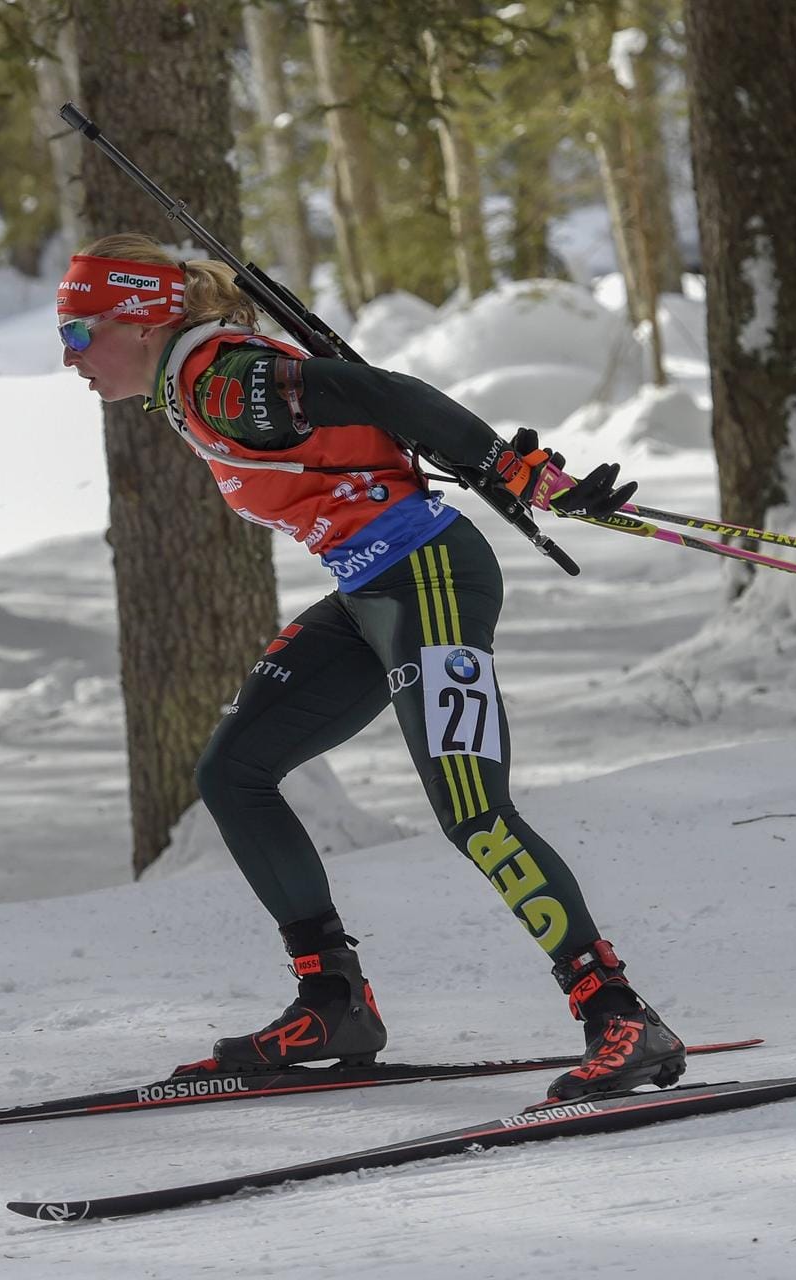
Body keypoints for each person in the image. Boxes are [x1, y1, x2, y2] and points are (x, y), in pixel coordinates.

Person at [58, 233, 683, 1100]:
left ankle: (619, 1015)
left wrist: (503, 463)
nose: (70, 357)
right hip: (370, 590)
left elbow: (379, 392)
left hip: (428, 577)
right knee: (234, 772)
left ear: (139, 319)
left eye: (83, 334)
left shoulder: (224, 381)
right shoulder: (193, 382)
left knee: (473, 809)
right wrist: (496, 468)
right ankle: (333, 1001)